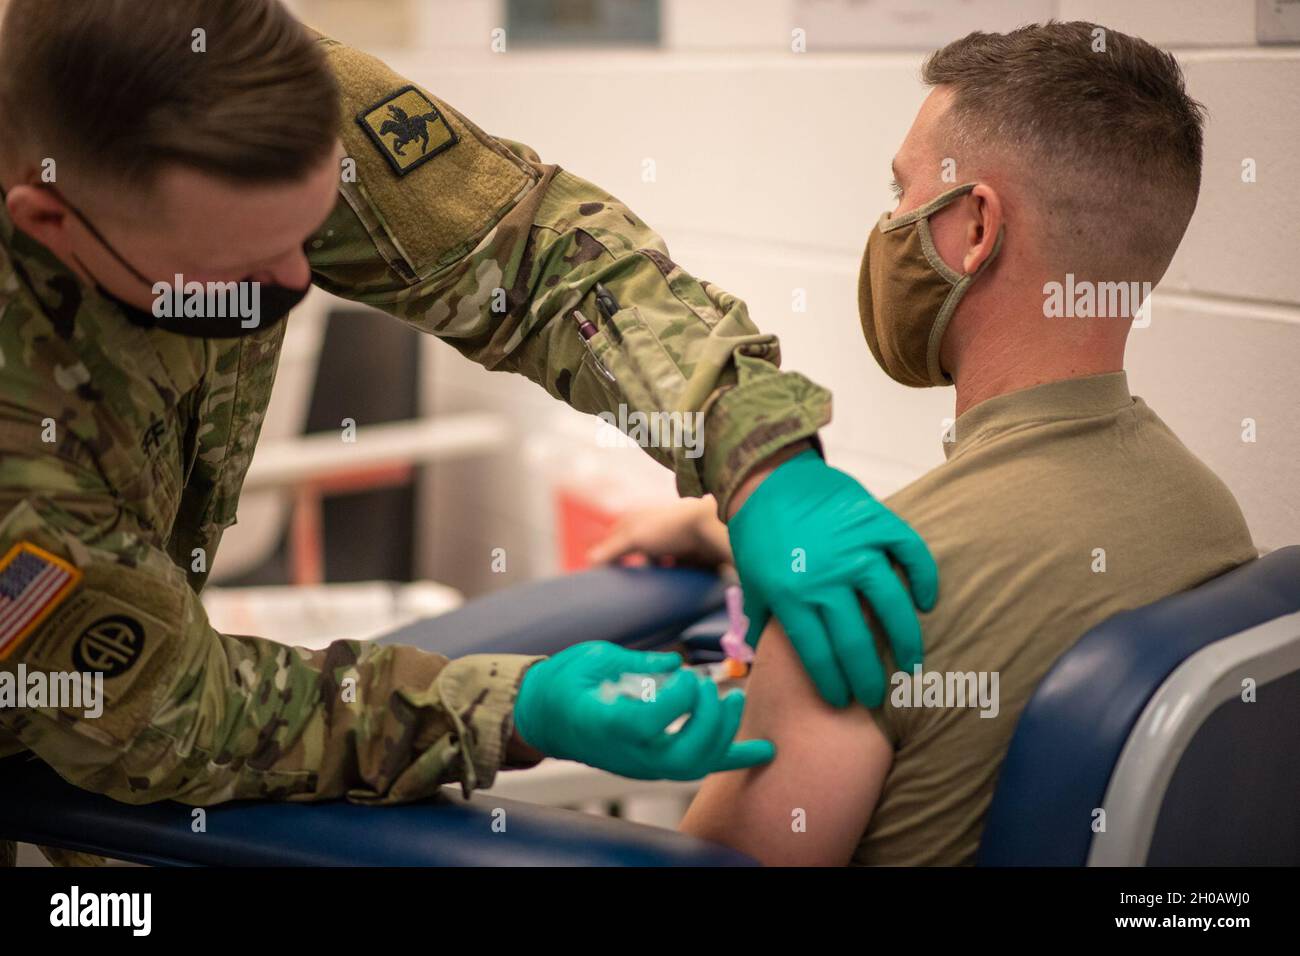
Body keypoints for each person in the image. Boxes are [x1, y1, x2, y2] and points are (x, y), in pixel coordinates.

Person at [0, 0, 937, 865]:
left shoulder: (231, 75)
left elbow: (530, 255)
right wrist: (507, 711)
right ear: (49, 218)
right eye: (238, 266)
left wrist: (761, 454)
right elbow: (171, 711)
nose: (299, 274)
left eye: (314, 226)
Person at [594, 21, 1258, 865]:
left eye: (901, 193)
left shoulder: (854, 611)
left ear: (975, 228)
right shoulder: (1205, 511)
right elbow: (1003, 582)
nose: (889, 227)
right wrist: (713, 531)